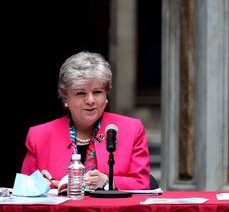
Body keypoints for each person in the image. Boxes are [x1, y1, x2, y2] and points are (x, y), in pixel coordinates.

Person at [21, 51, 150, 190]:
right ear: (65, 98)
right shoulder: (39, 135)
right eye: (81, 93)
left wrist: (108, 181)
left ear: (106, 94)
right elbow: (23, 191)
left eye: (97, 92)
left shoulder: (131, 129)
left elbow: (142, 183)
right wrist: (39, 186)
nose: (90, 101)